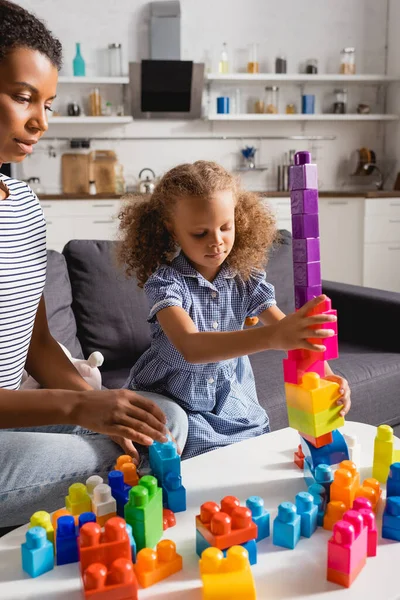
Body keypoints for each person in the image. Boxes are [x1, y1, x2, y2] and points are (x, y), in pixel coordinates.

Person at [0, 0, 188, 528]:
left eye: (48, 103)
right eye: (22, 97)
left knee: (161, 422)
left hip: (21, 418)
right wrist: (77, 410)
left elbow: (34, 342)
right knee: (110, 457)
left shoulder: (23, 205)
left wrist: (101, 401)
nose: (40, 120)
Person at [118, 160, 351, 460]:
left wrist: (326, 376)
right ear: (172, 231)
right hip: (171, 395)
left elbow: (295, 338)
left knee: (250, 452)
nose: (216, 242)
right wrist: (273, 337)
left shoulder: (245, 278)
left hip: (229, 399)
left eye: (225, 227)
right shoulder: (166, 284)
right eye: (200, 233)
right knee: (191, 457)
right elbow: (190, 346)